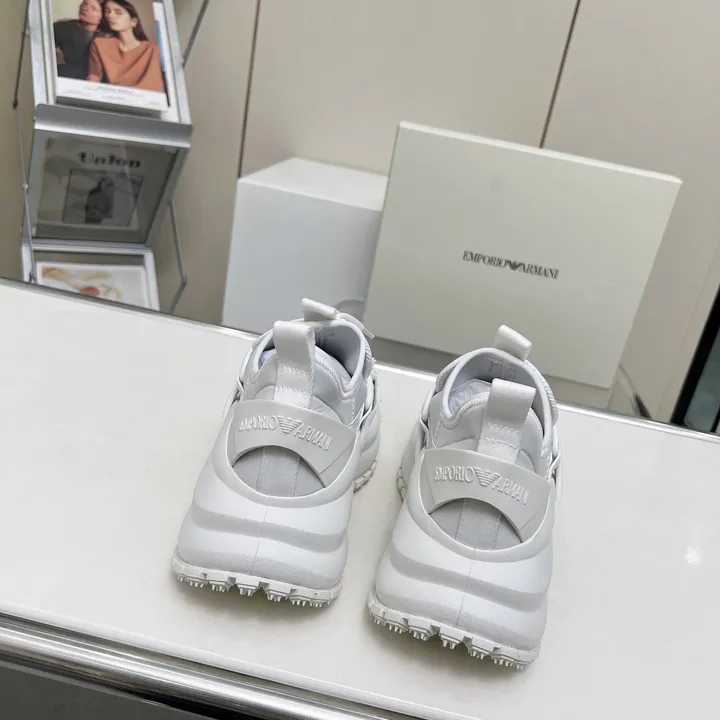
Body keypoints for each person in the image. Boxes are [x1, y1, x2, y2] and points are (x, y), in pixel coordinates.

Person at [87, 0, 164, 93]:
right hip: (115, 96)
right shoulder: (100, 44)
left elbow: (156, 85)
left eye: (118, 12)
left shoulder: (152, 49)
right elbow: (94, 76)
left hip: (148, 98)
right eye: (107, 12)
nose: (110, 16)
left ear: (133, 22)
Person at [54, 0, 104, 79]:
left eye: (93, 8)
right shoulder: (63, 27)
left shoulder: (107, 38)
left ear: (102, 17)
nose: (85, 8)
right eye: (85, 3)